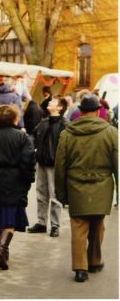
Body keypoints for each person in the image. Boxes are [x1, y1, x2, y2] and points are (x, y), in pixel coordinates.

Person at [55, 94, 118, 283]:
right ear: (98, 111)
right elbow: (117, 162)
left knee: (79, 228)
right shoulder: (111, 132)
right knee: (98, 225)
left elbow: (60, 166)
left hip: (76, 187)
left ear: (80, 112)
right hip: (102, 187)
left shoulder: (67, 134)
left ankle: (80, 268)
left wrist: (61, 193)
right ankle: (95, 261)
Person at [0, 104, 35, 270]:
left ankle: (2, 249)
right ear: (15, 118)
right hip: (14, 181)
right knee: (10, 220)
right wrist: (27, 180)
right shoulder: (22, 138)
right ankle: (1, 250)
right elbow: (28, 161)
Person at [27, 96, 68, 237]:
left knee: (54, 195)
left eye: (54, 102)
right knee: (40, 193)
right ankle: (42, 222)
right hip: (42, 163)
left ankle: (55, 225)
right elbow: (35, 137)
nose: (50, 102)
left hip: (55, 164)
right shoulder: (43, 122)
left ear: (60, 107)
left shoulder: (65, 124)